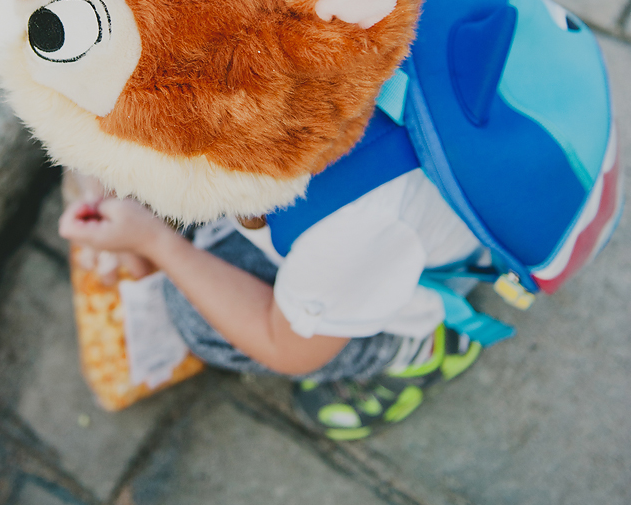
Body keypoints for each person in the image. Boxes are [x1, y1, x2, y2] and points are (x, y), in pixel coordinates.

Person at [58, 161, 483, 441]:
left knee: (199, 318)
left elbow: (286, 347)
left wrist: (158, 242)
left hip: (420, 263)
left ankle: (416, 347)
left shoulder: (344, 226)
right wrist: (100, 186)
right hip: (445, 178)